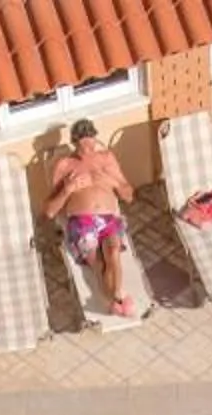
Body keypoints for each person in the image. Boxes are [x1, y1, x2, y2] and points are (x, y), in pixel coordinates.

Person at [43, 118, 139, 319]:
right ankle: (119, 298)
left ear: (95, 139)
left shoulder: (106, 159)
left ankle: (115, 300)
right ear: (73, 143)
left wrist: (112, 181)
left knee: (113, 252)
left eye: (90, 142)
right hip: (82, 222)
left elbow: (129, 195)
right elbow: (50, 211)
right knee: (99, 265)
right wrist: (67, 189)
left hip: (108, 219)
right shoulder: (65, 165)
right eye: (81, 144)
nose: (87, 148)